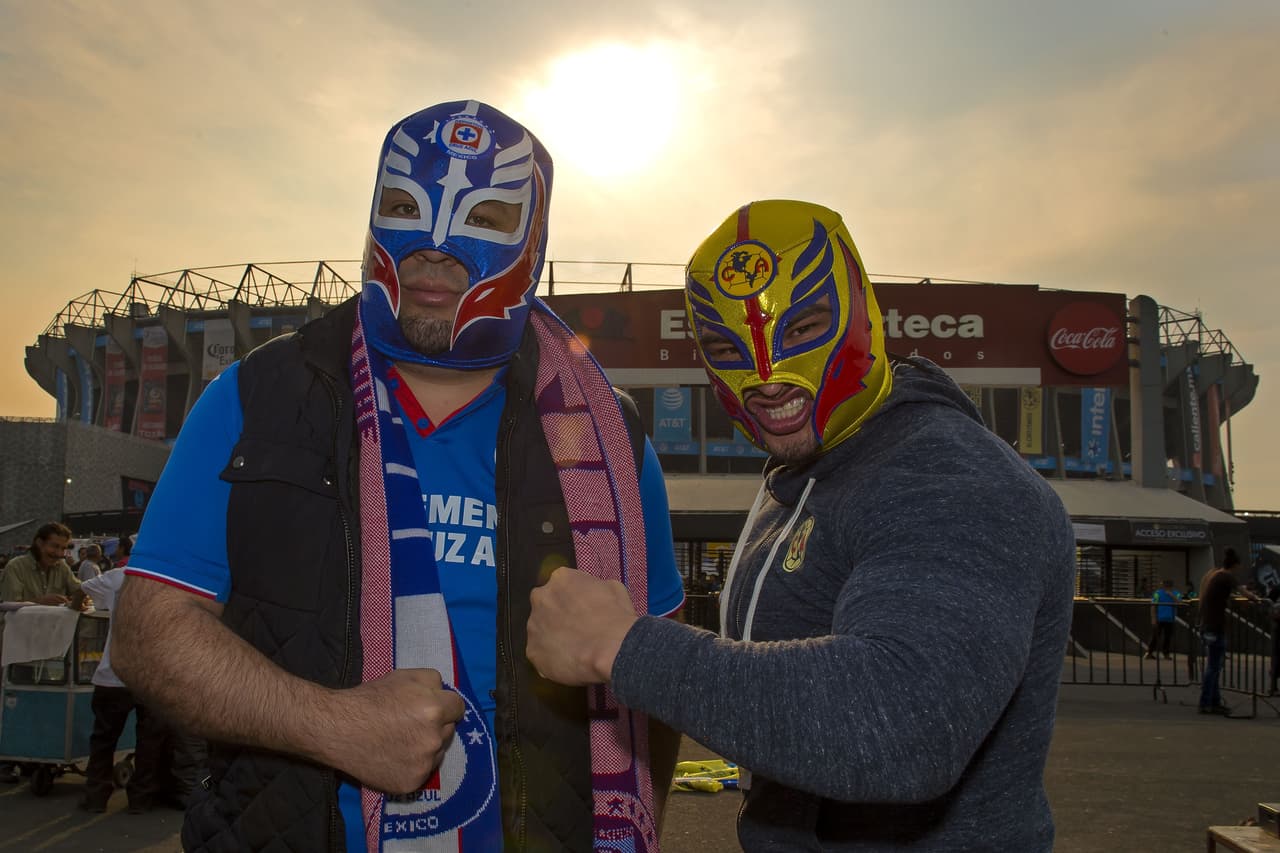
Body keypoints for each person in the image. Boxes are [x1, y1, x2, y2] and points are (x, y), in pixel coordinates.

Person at [110, 99, 684, 852]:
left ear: (534, 240)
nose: (433, 248)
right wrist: (327, 724)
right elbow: (148, 635)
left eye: (483, 218)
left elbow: (656, 676)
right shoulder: (254, 399)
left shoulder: (610, 440)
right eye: (406, 207)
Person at [527, 199, 1077, 851]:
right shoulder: (812, 468)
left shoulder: (951, 478)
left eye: (805, 326)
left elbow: (902, 725)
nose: (765, 376)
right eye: (726, 347)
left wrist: (622, 646)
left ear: (863, 309)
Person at [77, 568, 172, 813]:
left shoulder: (118, 576)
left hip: (113, 675)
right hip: (151, 679)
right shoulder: (171, 581)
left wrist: (74, 606)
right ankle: (141, 799)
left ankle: (96, 796)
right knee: (149, 742)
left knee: (104, 740)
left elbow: (83, 588)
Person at [1197, 547, 1263, 715]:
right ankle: (1206, 702)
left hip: (1208, 625)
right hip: (1214, 626)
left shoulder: (1215, 575)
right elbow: (1244, 592)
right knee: (1214, 667)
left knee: (1214, 666)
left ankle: (1213, 701)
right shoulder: (1227, 576)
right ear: (1235, 565)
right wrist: (1256, 599)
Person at [0, 522, 83, 607]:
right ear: (39, 543)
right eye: (55, 546)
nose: (59, 553)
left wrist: (80, 599)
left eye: (63, 548)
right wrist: (39, 602)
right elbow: (7, 608)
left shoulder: (62, 566)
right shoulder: (15, 567)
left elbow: (78, 590)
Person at [1145, 578, 1181, 660]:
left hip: (1170, 619)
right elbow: (1153, 606)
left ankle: (1166, 654)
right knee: (1155, 636)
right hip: (1159, 619)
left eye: (1168, 585)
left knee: (1167, 637)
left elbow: (1179, 603)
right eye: (1165, 585)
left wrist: (1171, 595)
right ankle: (1149, 653)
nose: (1166, 587)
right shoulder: (1158, 593)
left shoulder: (1176, 593)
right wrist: (1153, 618)